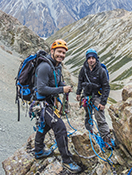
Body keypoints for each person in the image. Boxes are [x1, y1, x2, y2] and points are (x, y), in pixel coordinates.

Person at [33, 39, 82, 174]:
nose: (61, 55)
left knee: (45, 125)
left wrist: (64, 86)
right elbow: (41, 89)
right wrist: (62, 90)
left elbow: (57, 81)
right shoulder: (44, 66)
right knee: (60, 128)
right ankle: (67, 161)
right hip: (42, 103)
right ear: (52, 51)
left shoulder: (57, 66)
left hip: (49, 102)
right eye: (59, 52)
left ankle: (38, 151)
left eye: (63, 53)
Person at [76, 48, 113, 148]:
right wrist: (78, 93)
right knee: (88, 116)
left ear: (96, 59)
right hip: (86, 96)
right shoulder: (83, 69)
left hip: (97, 97)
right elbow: (80, 81)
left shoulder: (101, 71)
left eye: (93, 58)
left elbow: (106, 87)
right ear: (86, 59)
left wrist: (103, 102)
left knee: (100, 119)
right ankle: (90, 134)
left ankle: (107, 140)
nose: (91, 60)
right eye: (89, 58)